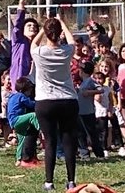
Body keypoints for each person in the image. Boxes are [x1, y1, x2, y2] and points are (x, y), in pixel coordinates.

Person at [30, 17, 79, 192]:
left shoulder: (39, 52)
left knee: (50, 141)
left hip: (45, 101)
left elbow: (33, 42)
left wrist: (43, 28)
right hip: (67, 100)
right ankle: (71, 180)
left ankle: (49, 182)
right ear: (59, 34)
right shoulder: (66, 51)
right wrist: (62, 22)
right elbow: (71, 39)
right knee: (68, 141)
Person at [7, 77, 40, 168]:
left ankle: (18, 160)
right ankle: (40, 129)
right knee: (33, 115)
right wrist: (40, 102)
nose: (30, 92)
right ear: (24, 90)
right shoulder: (21, 96)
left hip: (13, 121)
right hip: (16, 119)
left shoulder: (13, 96)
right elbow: (31, 104)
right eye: (29, 90)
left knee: (22, 140)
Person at [76, 61, 105, 159]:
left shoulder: (90, 80)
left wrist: (89, 92)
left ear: (82, 71)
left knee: (91, 133)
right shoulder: (83, 82)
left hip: (88, 112)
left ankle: (99, 153)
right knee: (80, 133)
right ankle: (84, 153)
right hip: (80, 112)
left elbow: (101, 89)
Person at [10, 0, 39, 83]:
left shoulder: (37, 47)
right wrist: (21, 3)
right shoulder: (19, 42)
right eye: (29, 25)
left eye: (35, 26)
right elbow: (18, 25)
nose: (32, 27)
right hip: (19, 82)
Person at [93, 71, 113, 158]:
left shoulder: (107, 89)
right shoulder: (92, 89)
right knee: (95, 132)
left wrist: (110, 110)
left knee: (104, 132)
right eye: (96, 79)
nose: (98, 81)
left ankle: (105, 148)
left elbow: (110, 101)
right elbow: (97, 99)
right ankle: (96, 148)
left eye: (100, 79)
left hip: (103, 112)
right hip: (94, 113)